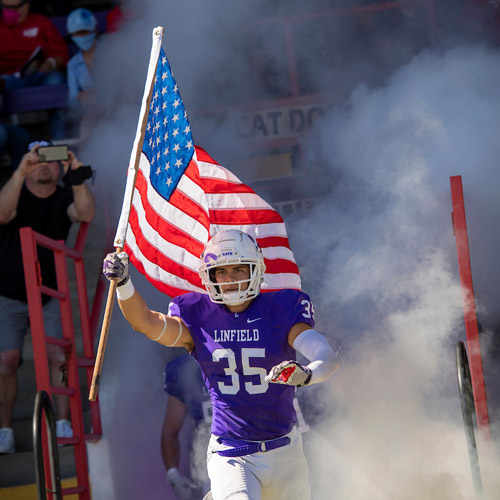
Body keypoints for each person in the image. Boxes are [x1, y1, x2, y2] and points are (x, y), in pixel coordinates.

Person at [103, 229, 341, 499]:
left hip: (286, 451)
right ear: (210, 276)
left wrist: (307, 374)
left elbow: (327, 357)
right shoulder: (198, 315)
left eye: (238, 270)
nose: (229, 280)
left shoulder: (281, 308)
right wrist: (124, 284)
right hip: (232, 452)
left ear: (256, 270)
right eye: (221, 272)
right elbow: (144, 322)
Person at [0, 140, 95, 454]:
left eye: (50, 158)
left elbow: (85, 213)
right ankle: (5, 430)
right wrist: (20, 170)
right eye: (37, 157)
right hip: (9, 293)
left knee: (60, 357)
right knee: (7, 360)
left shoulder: (65, 192)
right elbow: (2, 214)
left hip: (51, 292)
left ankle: (63, 422)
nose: (44, 164)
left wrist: (75, 173)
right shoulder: (16, 188)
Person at [0, 0, 69, 138]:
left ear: (26, 5)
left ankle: (59, 139)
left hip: (37, 75)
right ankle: (9, 138)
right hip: (7, 80)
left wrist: (51, 63)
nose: (11, 11)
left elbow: (61, 54)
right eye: (6, 7)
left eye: (15, 7)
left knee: (56, 80)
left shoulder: (41, 22)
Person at [162, 350, 211, 499]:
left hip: (249, 452)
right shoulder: (185, 368)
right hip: (209, 459)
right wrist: (173, 475)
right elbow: (170, 429)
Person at [66, 8, 98, 116]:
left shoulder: (111, 55)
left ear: (94, 30)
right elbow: (73, 97)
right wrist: (81, 96)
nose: (81, 37)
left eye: (84, 32)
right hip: (90, 113)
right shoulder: (72, 65)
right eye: (76, 34)